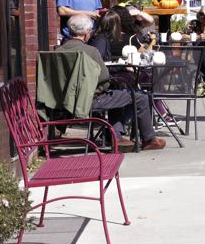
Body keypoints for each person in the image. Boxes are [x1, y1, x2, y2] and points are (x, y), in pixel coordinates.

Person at [57, 15, 165, 151]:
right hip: (88, 101)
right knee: (140, 97)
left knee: (117, 94)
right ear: (86, 33)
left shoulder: (58, 51)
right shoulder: (91, 51)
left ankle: (116, 135)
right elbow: (104, 78)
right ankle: (149, 139)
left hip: (61, 102)